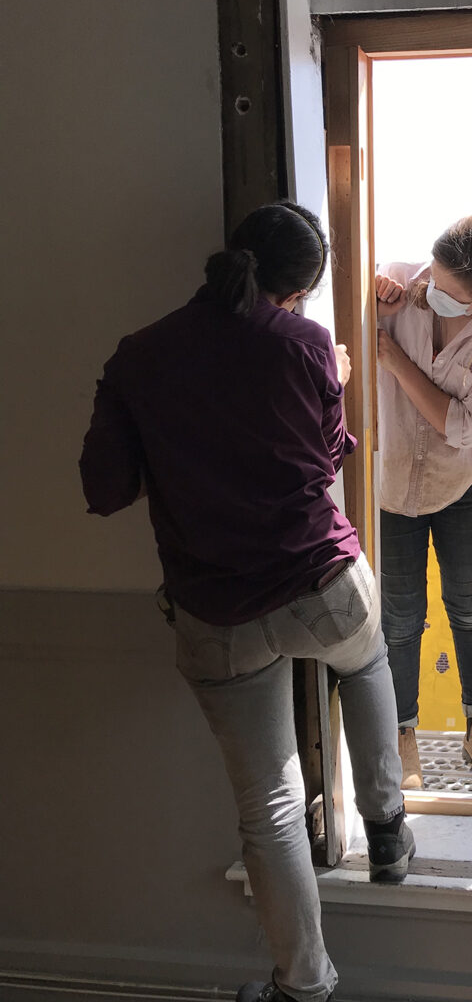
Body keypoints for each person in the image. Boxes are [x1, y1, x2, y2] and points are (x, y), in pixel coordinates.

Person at [79, 202, 412, 1002]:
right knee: (364, 662)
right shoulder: (302, 347)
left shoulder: (139, 356)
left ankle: (304, 986)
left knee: (269, 807)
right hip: (318, 582)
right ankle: (389, 832)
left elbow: (103, 489)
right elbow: (330, 456)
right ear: (297, 290)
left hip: (216, 608)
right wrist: (326, 381)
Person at [373, 215, 472, 788]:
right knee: (399, 618)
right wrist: (374, 287)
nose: (433, 293)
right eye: (434, 279)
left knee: (469, 606)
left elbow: (461, 426)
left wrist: (394, 360)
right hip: (390, 486)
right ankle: (402, 734)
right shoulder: (402, 284)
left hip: (463, 482)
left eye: (453, 294)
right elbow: (345, 302)